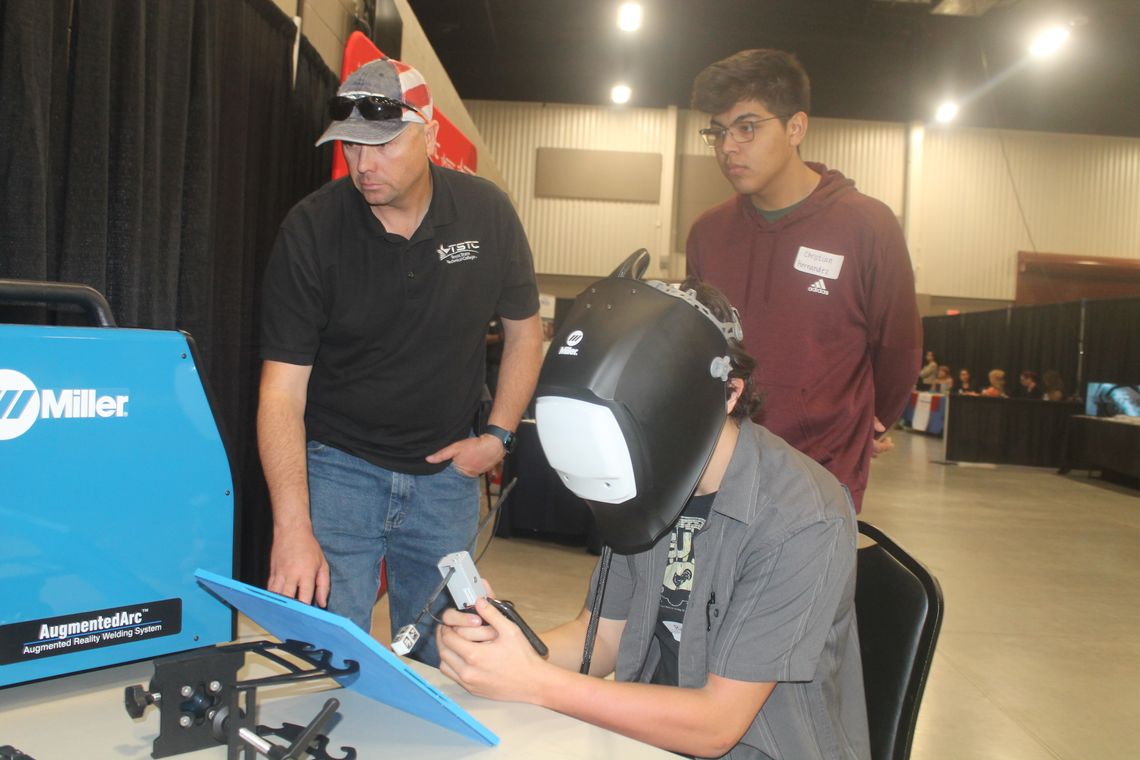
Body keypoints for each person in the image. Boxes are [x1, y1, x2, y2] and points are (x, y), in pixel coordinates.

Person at [438, 275, 869, 760]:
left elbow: (716, 726)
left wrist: (536, 682)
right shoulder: (648, 483)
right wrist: (508, 652)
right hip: (645, 738)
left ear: (729, 393)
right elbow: (600, 636)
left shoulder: (801, 516)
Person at [257, 58, 543, 665]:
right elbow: (281, 393)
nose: (363, 165)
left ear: (430, 133)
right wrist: (292, 525)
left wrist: (499, 437)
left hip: (447, 480)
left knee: (445, 660)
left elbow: (525, 333)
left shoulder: (487, 214)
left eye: (382, 144)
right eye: (351, 147)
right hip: (338, 472)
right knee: (327, 660)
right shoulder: (311, 230)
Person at [685, 48, 921, 512]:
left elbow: (899, 347)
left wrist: (872, 422)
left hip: (823, 477)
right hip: (720, 472)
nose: (727, 146)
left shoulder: (867, 226)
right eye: (718, 131)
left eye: (747, 128)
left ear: (796, 127)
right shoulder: (708, 233)